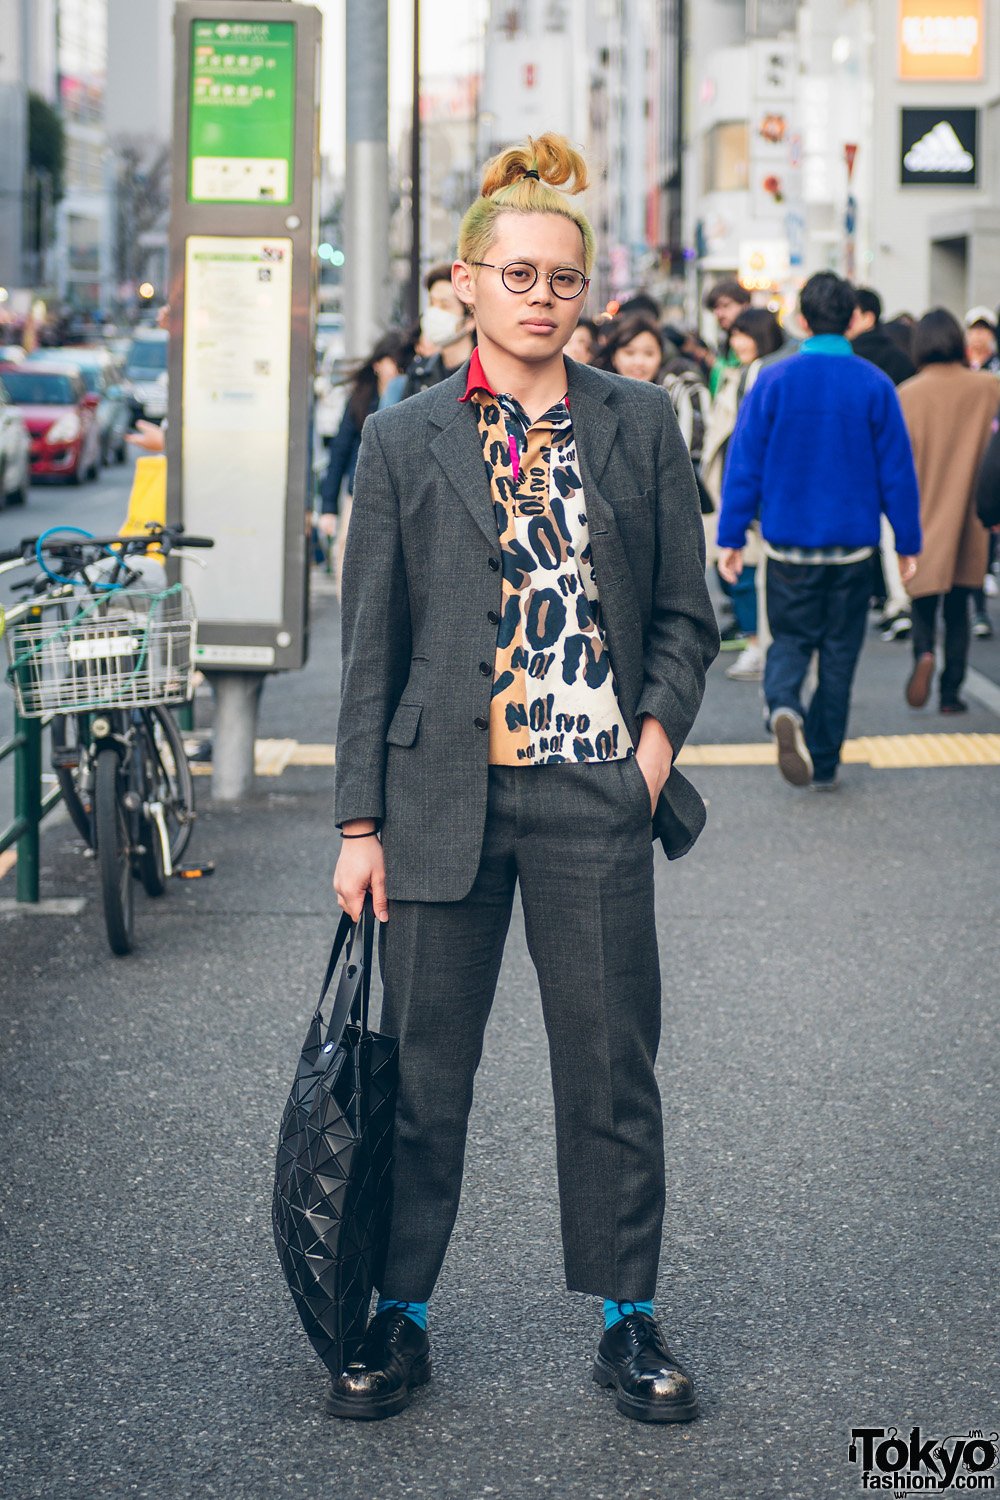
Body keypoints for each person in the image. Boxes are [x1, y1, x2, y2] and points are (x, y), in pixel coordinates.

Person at [330, 131, 718, 1425]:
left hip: (592, 796)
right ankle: (397, 1313)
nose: (540, 296)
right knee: (423, 1069)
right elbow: (369, 649)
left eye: (562, 278)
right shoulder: (403, 438)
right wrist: (357, 824)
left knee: (610, 1065)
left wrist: (645, 757)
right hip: (440, 798)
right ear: (464, 281)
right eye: (517, 275)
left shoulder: (640, 422)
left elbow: (683, 616)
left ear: (586, 292)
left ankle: (628, 1318)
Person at [717, 271, 921, 790]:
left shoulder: (774, 380)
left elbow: (745, 463)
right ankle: (826, 759)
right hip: (853, 549)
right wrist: (907, 544)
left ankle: (784, 706)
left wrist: (732, 536)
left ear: (802, 320)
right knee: (839, 652)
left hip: (788, 546)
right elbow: (897, 471)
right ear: (853, 319)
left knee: (788, 640)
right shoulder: (875, 384)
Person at [897, 309, 999, 714]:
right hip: (973, 513)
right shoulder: (989, 388)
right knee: (960, 606)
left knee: (923, 601)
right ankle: (952, 692)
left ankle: (924, 652)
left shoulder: (907, 393)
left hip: (922, 513)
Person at [848, 288, 918, 642]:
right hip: (891, 454)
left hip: (855, 464)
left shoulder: (854, 362)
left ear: (867, 316)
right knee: (892, 532)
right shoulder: (900, 358)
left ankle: (891, 599)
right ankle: (898, 598)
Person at [318, 332, 405, 590]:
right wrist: (328, 507)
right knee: (346, 550)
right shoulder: (361, 399)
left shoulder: (408, 397)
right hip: (356, 490)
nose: (398, 371)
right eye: (393, 363)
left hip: (394, 493)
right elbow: (339, 452)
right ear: (378, 364)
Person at [395, 262, 476, 399]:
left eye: (444, 305)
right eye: (432, 303)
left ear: (470, 321)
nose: (434, 312)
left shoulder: (485, 374)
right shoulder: (419, 374)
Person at [848, 288, 916, 385]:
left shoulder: (849, 354)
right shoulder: (901, 359)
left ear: (868, 318)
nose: (845, 321)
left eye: (851, 316)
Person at [703, 278, 751, 396]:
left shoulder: (759, 339)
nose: (719, 314)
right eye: (715, 308)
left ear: (745, 305)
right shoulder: (724, 344)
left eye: (726, 306)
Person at [594, 312, 665, 382]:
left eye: (648, 353)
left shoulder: (672, 391)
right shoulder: (594, 389)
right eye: (629, 353)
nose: (639, 362)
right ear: (614, 357)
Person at [964, 307, 1000, 375]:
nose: (978, 333)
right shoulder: (959, 360)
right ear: (968, 333)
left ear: (992, 334)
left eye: (984, 328)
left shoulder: (997, 363)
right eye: (975, 328)